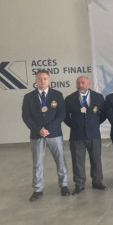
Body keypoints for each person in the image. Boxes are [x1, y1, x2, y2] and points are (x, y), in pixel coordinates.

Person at [21, 69, 70, 201]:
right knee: (37, 163)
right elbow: (26, 116)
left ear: (49, 80)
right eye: (39, 79)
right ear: (35, 81)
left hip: (54, 134)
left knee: (60, 160)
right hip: (37, 135)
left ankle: (64, 185)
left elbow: (61, 114)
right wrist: (38, 129)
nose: (42, 81)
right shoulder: (28, 97)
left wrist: (48, 128)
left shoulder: (57, 95)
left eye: (45, 79)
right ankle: (38, 189)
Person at [64, 75, 108, 194]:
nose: (80, 85)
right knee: (77, 161)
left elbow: (103, 114)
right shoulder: (69, 98)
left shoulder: (98, 97)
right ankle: (79, 184)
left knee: (96, 159)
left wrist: (94, 124)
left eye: (83, 82)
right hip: (77, 135)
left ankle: (97, 181)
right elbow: (65, 117)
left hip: (94, 134)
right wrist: (75, 125)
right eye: (78, 83)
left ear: (88, 83)